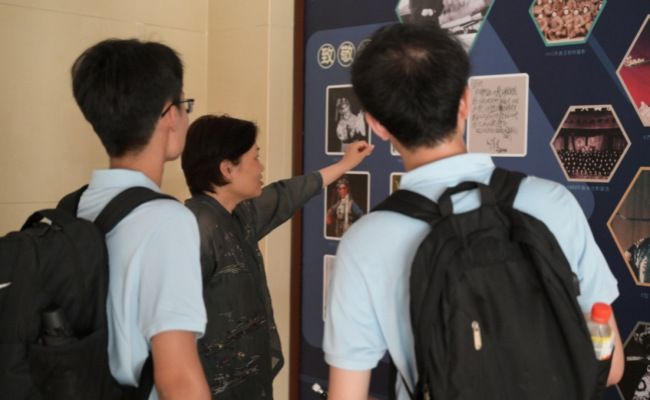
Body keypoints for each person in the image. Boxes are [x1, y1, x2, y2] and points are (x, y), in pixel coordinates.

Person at [322, 22, 625, 399]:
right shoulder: (552, 203)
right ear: (465, 101)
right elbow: (611, 367)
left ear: (376, 125)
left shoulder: (365, 243)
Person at [180, 114, 373, 399]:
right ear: (227, 169)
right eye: (255, 158)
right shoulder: (194, 229)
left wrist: (345, 165)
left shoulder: (240, 214)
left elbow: (287, 194)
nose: (261, 167)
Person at [71, 39, 209, 400]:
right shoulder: (167, 221)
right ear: (169, 114)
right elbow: (179, 380)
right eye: (184, 105)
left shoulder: (75, 207)